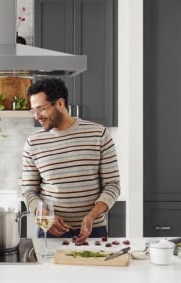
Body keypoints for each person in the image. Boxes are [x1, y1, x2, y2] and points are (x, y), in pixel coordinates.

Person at [21, 78, 120, 244]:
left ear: (60, 103)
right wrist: (44, 216)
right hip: (51, 233)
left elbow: (113, 185)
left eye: (41, 109)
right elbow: (29, 191)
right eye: (33, 111)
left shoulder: (99, 135)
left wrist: (92, 216)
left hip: (93, 230)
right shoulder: (33, 143)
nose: (37, 116)